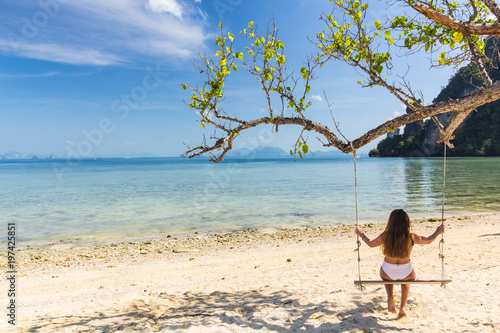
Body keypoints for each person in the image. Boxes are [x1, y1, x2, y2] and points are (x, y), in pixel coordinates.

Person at [354, 209, 444, 317]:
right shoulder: (411, 237)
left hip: (387, 271)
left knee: (387, 278)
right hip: (405, 272)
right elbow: (428, 240)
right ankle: (403, 307)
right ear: (406, 223)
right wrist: (438, 232)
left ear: (391, 222)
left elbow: (371, 244)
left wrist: (361, 234)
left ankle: (390, 297)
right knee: (407, 280)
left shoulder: (386, 236)